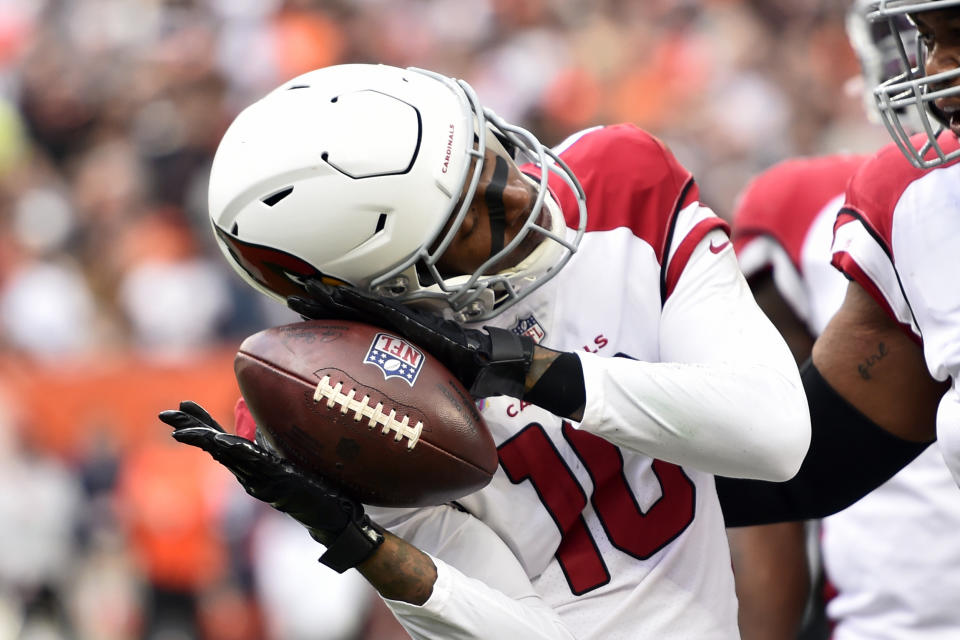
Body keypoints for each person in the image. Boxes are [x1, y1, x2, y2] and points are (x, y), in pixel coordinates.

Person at [159, 63, 811, 639]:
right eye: (466, 220)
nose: (519, 193)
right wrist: (366, 547)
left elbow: (773, 436)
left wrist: (519, 369)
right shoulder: (341, 398)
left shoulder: (619, 183)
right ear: (383, 289)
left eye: (484, 151)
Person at [726, 3, 960, 639]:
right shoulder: (922, 200)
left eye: (958, 38)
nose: (937, 67)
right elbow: (802, 463)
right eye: (932, 40)